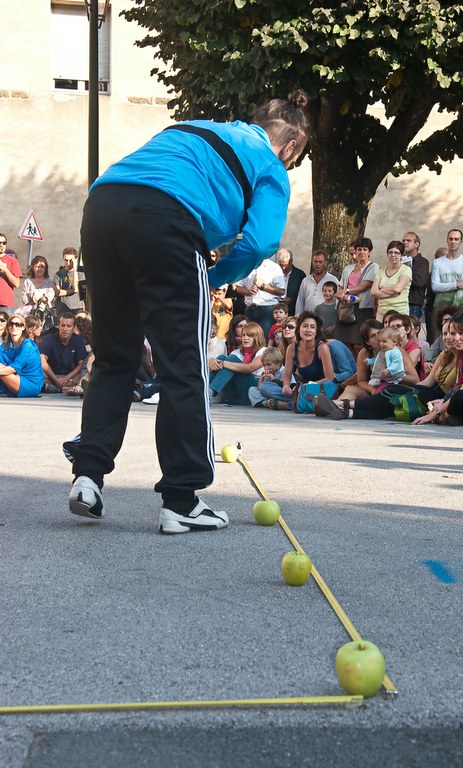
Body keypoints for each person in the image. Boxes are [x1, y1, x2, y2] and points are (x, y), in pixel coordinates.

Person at [62, 91, 310, 532]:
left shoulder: (195, 128)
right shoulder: (271, 165)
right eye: (294, 159)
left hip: (101, 207)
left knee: (116, 356)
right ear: (290, 147)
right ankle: (181, 500)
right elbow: (261, 242)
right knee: (184, 364)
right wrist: (213, 277)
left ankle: (88, 476)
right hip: (167, 219)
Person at [266, 311, 335, 410]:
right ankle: (298, 403)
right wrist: (286, 386)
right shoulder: (292, 348)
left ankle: (291, 405)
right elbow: (287, 375)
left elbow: (329, 378)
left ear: (316, 332)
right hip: (300, 389)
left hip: (319, 389)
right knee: (265, 387)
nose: (308, 330)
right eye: (305, 326)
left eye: (312, 327)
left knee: (308, 395)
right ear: (298, 330)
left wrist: (307, 386)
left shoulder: (322, 348)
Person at [333, 236, 378, 352]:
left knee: (359, 344)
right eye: (359, 249)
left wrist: (346, 291)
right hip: (346, 308)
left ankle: (360, 364)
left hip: (362, 309)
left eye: (365, 249)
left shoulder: (373, 267)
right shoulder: (348, 268)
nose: (362, 252)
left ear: (369, 252)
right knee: (344, 343)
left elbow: (365, 286)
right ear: (355, 252)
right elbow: (340, 287)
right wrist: (341, 294)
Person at [208, 321, 267, 405]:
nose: (245, 338)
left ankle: (208, 392)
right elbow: (224, 365)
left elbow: (249, 368)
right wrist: (212, 361)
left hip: (253, 390)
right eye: (244, 335)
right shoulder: (237, 352)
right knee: (222, 358)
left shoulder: (264, 352)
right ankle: (205, 390)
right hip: (235, 393)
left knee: (230, 360)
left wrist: (223, 363)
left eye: (250, 335)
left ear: (257, 337)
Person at [235, 257, 286, 340]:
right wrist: (248, 291)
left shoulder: (274, 267)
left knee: (264, 340)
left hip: (267, 309)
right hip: (250, 308)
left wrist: (263, 286)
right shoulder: (246, 265)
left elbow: (281, 291)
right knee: (249, 339)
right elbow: (237, 287)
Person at [40, 312, 87, 393]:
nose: (65, 329)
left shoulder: (78, 340)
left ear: (73, 327)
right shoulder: (49, 339)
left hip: (72, 377)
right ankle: (60, 387)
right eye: (63, 325)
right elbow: (42, 361)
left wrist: (66, 378)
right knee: (38, 372)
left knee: (85, 374)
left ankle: (61, 387)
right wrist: (56, 380)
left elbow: (81, 364)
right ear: (58, 326)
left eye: (68, 326)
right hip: (51, 376)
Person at [0, 313, 44, 398]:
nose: (14, 327)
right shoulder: (5, 345)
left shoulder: (28, 345)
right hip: (14, 378)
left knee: (3, 373)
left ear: (23, 327)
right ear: (8, 327)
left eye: (18, 324)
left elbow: (14, 368)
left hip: (30, 383)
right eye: (11, 324)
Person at [431, 229, 463, 311]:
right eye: (451, 239)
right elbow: (435, 287)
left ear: (461, 242)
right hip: (440, 306)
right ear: (447, 240)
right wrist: (456, 284)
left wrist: (454, 307)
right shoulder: (437, 262)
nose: (453, 242)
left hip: (459, 306)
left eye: (456, 239)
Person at [371, 241, 412, 321]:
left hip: (399, 312)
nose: (393, 255)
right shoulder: (381, 271)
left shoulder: (406, 269)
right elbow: (373, 292)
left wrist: (381, 290)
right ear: (387, 254)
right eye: (390, 252)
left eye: (396, 253)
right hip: (381, 313)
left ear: (402, 255)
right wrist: (393, 293)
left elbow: (398, 288)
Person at [17, 256, 56, 330]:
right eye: (37, 266)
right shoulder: (27, 282)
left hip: (45, 315)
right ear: (33, 267)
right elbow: (24, 299)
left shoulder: (49, 282)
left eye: (42, 267)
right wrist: (37, 300)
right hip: (29, 315)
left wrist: (43, 299)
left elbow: (50, 295)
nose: (39, 269)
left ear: (45, 268)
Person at [294, 250, 338, 314]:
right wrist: (298, 316)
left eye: (320, 262)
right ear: (312, 263)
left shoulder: (333, 280)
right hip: (308, 317)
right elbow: (300, 302)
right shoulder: (306, 281)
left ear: (325, 263)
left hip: (326, 317)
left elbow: (337, 301)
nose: (317, 264)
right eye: (315, 261)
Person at [402, 232, 429, 318]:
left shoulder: (422, 262)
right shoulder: (398, 260)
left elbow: (419, 282)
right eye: (403, 241)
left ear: (416, 244)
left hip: (413, 303)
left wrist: (402, 278)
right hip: (397, 301)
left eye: (408, 240)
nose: (405, 242)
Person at [54, 247, 85, 315]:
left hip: (77, 308)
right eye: (66, 260)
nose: (68, 263)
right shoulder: (58, 274)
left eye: (71, 260)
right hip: (62, 309)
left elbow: (76, 288)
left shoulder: (80, 274)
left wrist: (75, 269)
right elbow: (57, 292)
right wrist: (72, 291)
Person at [276, 247, 306, 316]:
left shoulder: (299, 275)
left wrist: (291, 299)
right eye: (281, 265)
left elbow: (302, 295)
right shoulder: (275, 273)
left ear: (291, 261)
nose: (283, 268)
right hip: (277, 311)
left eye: (286, 265)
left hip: (292, 311)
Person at [0, 233, 23, 312]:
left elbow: (17, 284)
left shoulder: (12, 261)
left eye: (4, 243)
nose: (1, 245)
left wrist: (5, 270)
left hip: (5, 305)